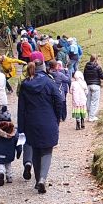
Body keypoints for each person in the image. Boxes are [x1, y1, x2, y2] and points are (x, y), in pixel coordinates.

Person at [17, 61, 64, 194]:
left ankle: (38, 179)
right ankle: (42, 179)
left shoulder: (25, 85)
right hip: (48, 120)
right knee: (47, 151)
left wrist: (21, 129)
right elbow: (59, 100)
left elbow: (21, 109)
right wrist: (57, 117)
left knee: (36, 151)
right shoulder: (49, 82)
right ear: (43, 68)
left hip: (31, 122)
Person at [83, 54, 103, 122]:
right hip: (96, 85)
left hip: (88, 85)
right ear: (96, 59)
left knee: (88, 101)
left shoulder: (86, 66)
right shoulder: (97, 67)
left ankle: (89, 115)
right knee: (94, 101)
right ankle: (92, 117)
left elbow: (84, 76)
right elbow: (102, 77)